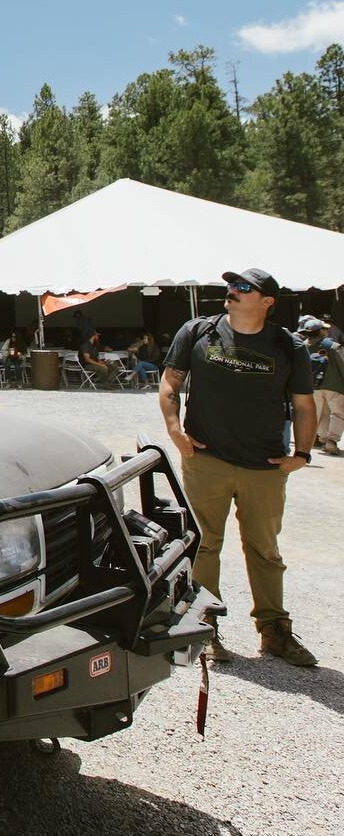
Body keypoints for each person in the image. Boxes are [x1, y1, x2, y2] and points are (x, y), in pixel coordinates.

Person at [160, 267, 318, 667]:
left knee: (264, 550)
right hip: (206, 460)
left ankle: (275, 632)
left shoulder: (288, 345)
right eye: (231, 285)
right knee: (204, 544)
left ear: (267, 302)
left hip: (264, 465)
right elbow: (170, 382)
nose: (232, 291)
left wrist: (301, 454)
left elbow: (303, 404)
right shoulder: (198, 331)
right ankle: (204, 627)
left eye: (245, 288)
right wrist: (175, 430)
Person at [302, 318, 344, 456]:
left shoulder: (303, 346)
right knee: (338, 414)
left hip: (313, 386)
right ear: (320, 331)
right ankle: (331, 440)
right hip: (335, 386)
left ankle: (323, 439)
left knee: (321, 413)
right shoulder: (333, 346)